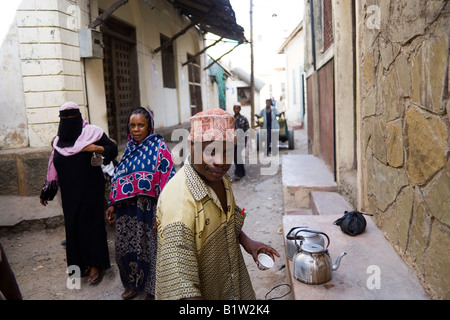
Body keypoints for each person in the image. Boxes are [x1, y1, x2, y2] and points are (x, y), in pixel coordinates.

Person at [155, 108, 280, 300]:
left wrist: (248, 243)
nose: (221, 162)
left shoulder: (221, 180)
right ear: (191, 147)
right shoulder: (179, 204)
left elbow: (224, 219)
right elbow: (182, 288)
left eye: (228, 151)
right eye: (210, 151)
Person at [40, 101, 117, 285]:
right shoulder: (58, 141)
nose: (68, 120)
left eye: (72, 116)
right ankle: (80, 265)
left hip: (91, 191)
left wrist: (95, 148)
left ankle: (95, 265)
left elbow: (112, 150)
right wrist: (46, 192)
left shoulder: (92, 133)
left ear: (79, 116)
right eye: (64, 117)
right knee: (73, 228)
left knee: (90, 225)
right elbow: (54, 168)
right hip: (69, 195)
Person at [106, 107, 176, 300]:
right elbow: (119, 177)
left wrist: (161, 213)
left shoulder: (159, 147)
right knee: (124, 248)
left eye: (140, 125)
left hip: (149, 210)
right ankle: (130, 283)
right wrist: (112, 202)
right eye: (132, 125)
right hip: (126, 210)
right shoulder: (129, 148)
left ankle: (152, 289)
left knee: (151, 249)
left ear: (149, 126)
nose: (136, 129)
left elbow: (168, 180)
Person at [233, 102, 249, 181]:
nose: (236, 109)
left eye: (237, 108)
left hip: (241, 140)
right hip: (233, 141)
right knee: (235, 156)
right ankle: (242, 171)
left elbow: (247, 130)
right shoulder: (231, 119)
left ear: (240, 109)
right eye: (235, 108)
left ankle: (238, 173)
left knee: (237, 156)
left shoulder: (243, 118)